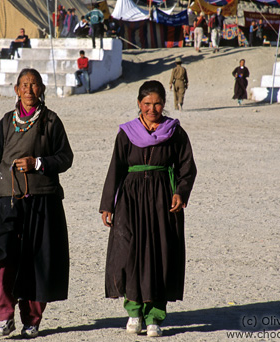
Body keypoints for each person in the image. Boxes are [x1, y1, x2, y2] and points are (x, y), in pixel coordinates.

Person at [0, 68, 73, 338]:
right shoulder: (6, 122)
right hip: (5, 200)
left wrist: (38, 163)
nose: (29, 89)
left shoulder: (51, 121)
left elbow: (65, 158)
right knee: (1, 258)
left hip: (42, 203)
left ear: (42, 89)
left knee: (37, 261)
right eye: (24, 85)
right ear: (16, 90)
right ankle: (3, 317)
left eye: (34, 84)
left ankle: (32, 319)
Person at [99, 80, 196, 338]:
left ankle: (154, 316)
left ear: (164, 104)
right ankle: (134, 312)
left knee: (160, 254)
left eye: (157, 103)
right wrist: (107, 204)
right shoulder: (126, 133)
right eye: (147, 104)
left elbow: (187, 168)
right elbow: (116, 169)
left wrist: (180, 192)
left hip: (163, 201)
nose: (152, 108)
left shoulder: (175, 132)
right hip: (130, 201)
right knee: (130, 254)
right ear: (139, 104)